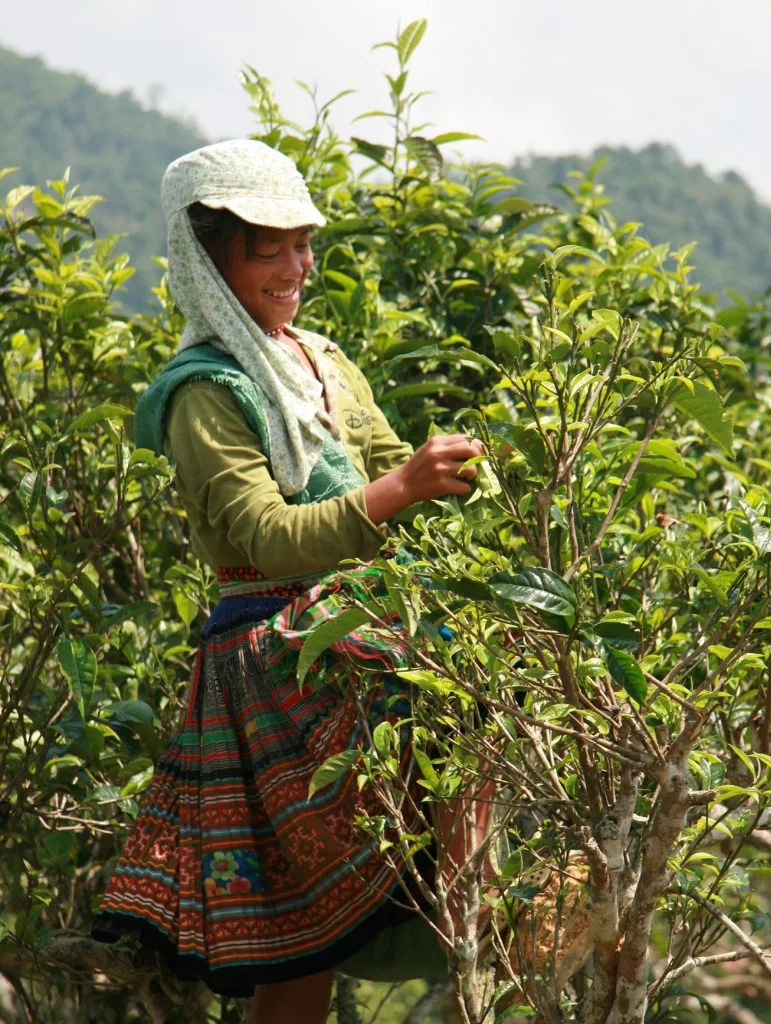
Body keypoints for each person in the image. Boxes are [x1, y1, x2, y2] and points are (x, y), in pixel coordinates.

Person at [91, 139, 484, 1023]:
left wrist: (465, 468)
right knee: (297, 953)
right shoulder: (205, 393)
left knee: (334, 924)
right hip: (277, 656)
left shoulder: (322, 361)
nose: (295, 266)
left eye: (301, 243)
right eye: (268, 247)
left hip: (351, 624)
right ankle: (469, 923)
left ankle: (472, 929)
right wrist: (400, 488)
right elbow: (268, 540)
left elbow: (385, 461)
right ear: (208, 256)